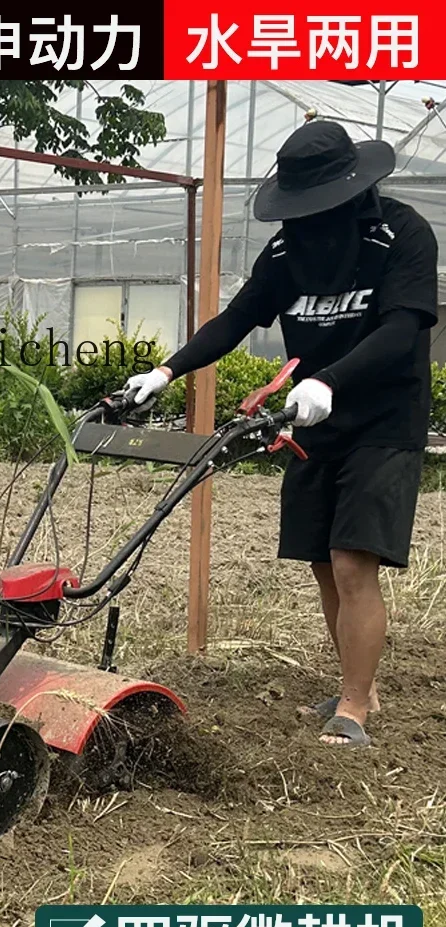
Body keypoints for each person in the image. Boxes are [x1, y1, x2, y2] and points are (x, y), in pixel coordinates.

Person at [125, 120, 438, 749]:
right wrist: (166, 370)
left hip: (382, 420)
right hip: (310, 425)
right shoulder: (287, 250)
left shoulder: (401, 234)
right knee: (324, 563)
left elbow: (404, 328)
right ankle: (360, 684)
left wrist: (330, 380)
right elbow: (238, 318)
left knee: (354, 563)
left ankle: (353, 708)